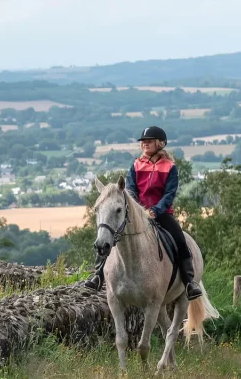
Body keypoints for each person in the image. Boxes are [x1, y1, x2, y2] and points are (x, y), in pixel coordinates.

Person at [84, 125, 203, 300]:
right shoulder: (136, 165)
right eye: (143, 142)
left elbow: (169, 194)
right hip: (137, 214)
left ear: (160, 144)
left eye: (149, 141)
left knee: (180, 240)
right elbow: (130, 191)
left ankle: (189, 282)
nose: (145, 144)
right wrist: (139, 210)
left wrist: (155, 210)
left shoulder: (170, 167)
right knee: (109, 234)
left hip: (161, 214)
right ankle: (98, 274)